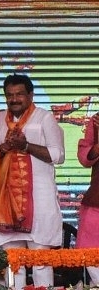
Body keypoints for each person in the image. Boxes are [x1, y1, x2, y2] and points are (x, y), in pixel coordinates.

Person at [0, 73, 65, 289]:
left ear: (31, 95)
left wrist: (25, 146)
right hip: (6, 203)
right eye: (9, 95)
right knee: (14, 263)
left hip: (38, 202)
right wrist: (2, 148)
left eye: (19, 94)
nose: (14, 99)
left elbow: (58, 155)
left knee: (40, 262)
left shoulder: (44, 118)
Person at [76, 112, 99, 285]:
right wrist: (97, 149)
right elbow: (85, 157)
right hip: (96, 199)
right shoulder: (97, 120)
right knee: (91, 253)